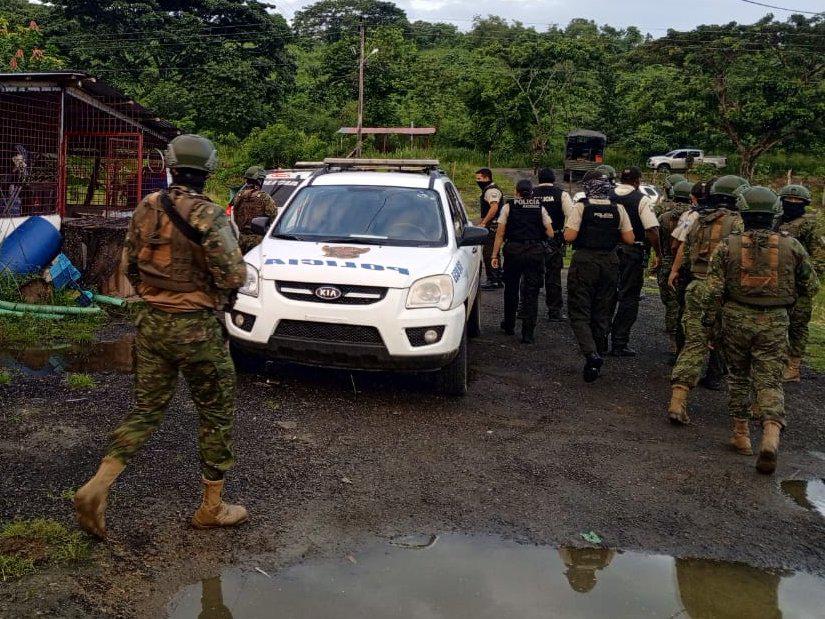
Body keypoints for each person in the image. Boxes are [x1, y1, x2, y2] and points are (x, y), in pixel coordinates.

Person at [74, 134, 248, 539]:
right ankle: (212, 507)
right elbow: (234, 274)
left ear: (169, 165)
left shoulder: (146, 207)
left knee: (147, 409)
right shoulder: (208, 214)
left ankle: (99, 484)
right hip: (197, 329)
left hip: (152, 324)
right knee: (215, 413)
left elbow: (130, 265)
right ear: (209, 170)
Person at [701, 186, 819, 473]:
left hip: (736, 318)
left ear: (743, 212)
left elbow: (712, 292)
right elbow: (811, 286)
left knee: (738, 377)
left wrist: (709, 324)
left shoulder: (728, 245)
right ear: (774, 213)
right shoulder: (791, 246)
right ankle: (770, 435)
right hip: (776, 321)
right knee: (770, 381)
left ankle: (741, 435)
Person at [667, 175, 747, 424]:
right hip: (726, 291)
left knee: (694, 342)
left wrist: (674, 271)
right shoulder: (739, 224)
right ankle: (737, 408)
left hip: (697, 285)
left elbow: (684, 248)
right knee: (731, 344)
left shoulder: (700, 220)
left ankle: (677, 401)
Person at [564, 169, 635, 382]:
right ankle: (599, 350)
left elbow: (569, 236)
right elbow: (630, 239)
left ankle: (591, 354)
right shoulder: (618, 208)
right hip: (610, 262)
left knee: (579, 310)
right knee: (603, 308)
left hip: (585, 261)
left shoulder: (581, 207)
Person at [491, 179, 555, 343]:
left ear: (516, 191)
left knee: (511, 289)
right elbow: (550, 232)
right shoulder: (539, 207)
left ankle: (509, 325)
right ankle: (528, 333)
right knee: (531, 292)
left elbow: (499, 233)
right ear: (531, 191)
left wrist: (494, 255)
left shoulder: (509, 206)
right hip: (534, 253)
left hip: (513, 251)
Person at [609, 167, 662, 356]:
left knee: (605, 294)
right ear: (638, 181)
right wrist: (659, 253)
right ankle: (619, 342)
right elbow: (651, 230)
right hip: (632, 252)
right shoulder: (641, 199)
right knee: (629, 297)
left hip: (608, 251)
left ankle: (599, 339)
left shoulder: (607, 195)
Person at [777, 184, 825, 382]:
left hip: (799, 285)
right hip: (776, 283)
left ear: (805, 204)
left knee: (797, 325)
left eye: (798, 201)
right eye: (789, 200)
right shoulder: (776, 221)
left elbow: (819, 259)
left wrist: (803, 277)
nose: (793, 204)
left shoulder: (811, 226)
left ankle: (794, 366)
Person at [656, 180, 694, 362]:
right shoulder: (695, 216)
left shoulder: (664, 215)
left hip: (667, 262)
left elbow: (657, 238)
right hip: (687, 265)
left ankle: (674, 338)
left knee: (670, 303)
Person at [532, 168, 574, 321]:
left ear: (539, 179)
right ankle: (554, 311)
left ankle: (525, 308)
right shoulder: (561, 194)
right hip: (554, 238)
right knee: (553, 276)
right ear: (553, 179)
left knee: (531, 274)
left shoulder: (531, 193)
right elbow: (571, 216)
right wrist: (565, 236)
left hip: (533, 239)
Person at [232, 165, 278, 254]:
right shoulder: (264, 197)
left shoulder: (238, 196)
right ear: (259, 180)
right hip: (258, 242)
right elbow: (274, 217)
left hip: (241, 240)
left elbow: (235, 215)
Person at [475, 168, 504, 290]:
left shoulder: (491, 190)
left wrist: (484, 222)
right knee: (494, 252)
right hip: (493, 225)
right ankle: (496, 278)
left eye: (479, 179)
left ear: (487, 178)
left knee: (490, 253)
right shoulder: (489, 189)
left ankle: (493, 280)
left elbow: (494, 208)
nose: (477, 181)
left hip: (492, 226)